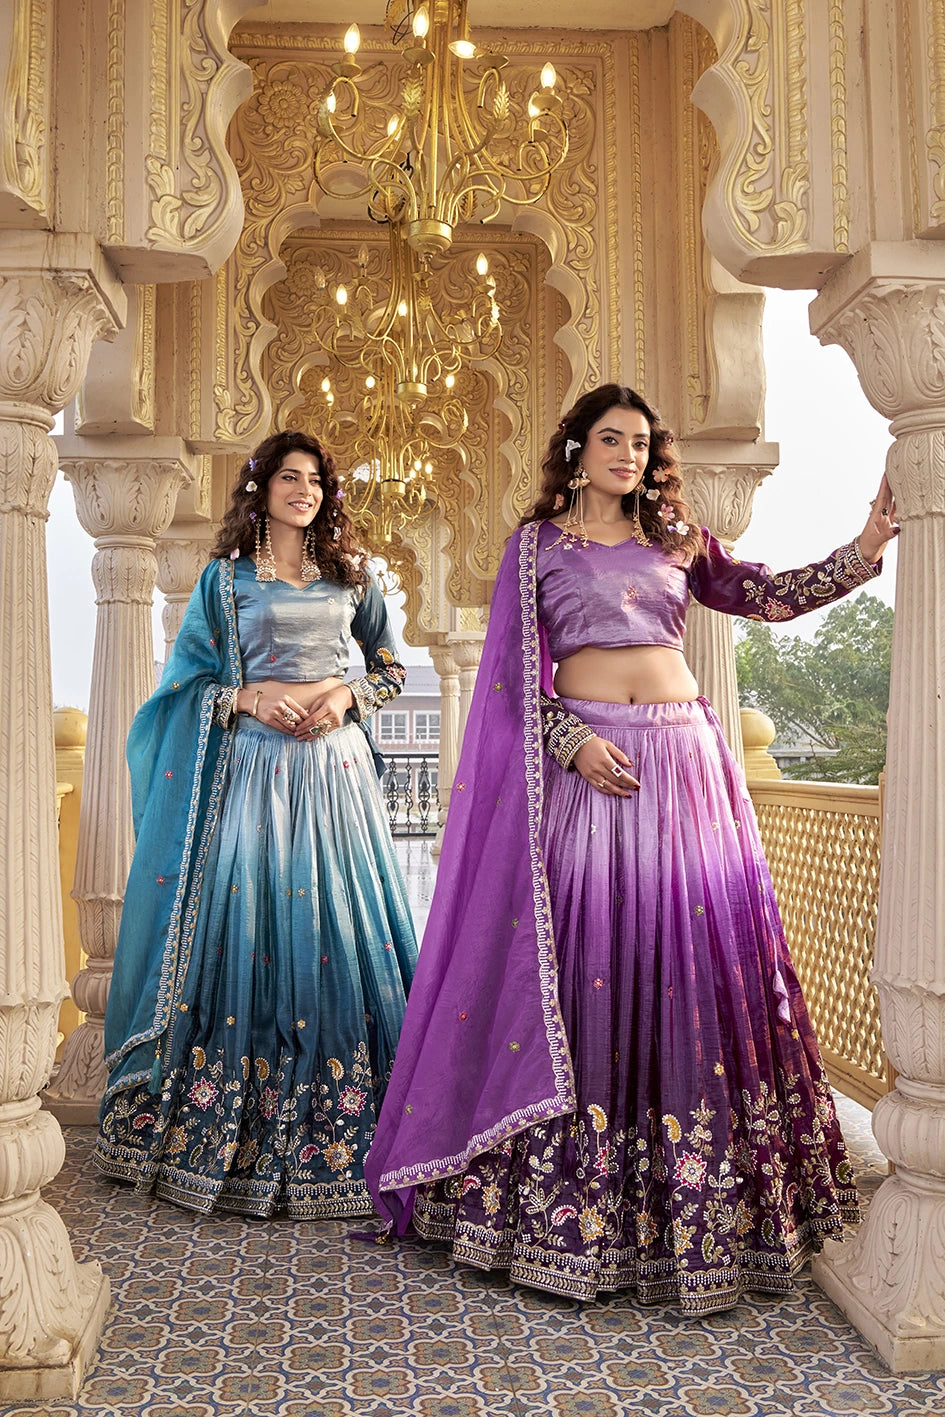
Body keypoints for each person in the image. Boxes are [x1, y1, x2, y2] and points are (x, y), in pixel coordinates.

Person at [365, 384, 899, 1313]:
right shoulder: (534, 547)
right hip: (593, 766)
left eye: (640, 442)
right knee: (590, 968)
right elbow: (503, 686)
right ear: (574, 448)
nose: (626, 454)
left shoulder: (675, 537)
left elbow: (761, 596)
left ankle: (699, 1207)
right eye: (609, 438)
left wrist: (861, 550)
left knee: (692, 971)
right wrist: (570, 738)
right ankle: (577, 1206)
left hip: (686, 762)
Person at [95, 429, 417, 1218]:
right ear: (261, 488)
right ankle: (229, 1124)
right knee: (251, 925)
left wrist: (345, 698)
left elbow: (389, 666)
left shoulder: (352, 577)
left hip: (334, 776)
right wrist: (244, 698)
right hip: (256, 774)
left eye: (314, 480)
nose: (303, 489)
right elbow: (185, 680)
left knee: (341, 928)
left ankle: (362, 1127)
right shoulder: (225, 580)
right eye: (289, 477)